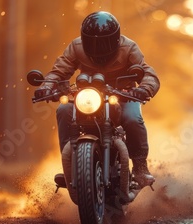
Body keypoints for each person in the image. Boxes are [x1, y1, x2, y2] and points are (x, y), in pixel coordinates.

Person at [35, 11, 159, 187]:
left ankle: (140, 168)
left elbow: (148, 73)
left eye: (104, 41)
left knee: (132, 118)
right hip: (87, 97)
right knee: (63, 110)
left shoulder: (129, 48)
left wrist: (144, 89)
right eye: (93, 42)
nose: (99, 46)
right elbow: (59, 71)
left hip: (123, 96)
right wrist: (46, 87)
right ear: (84, 39)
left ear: (116, 38)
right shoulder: (76, 47)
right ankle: (70, 166)